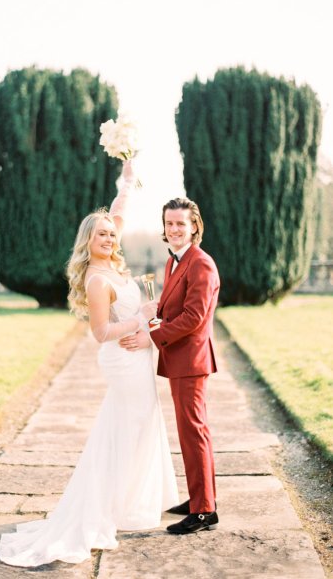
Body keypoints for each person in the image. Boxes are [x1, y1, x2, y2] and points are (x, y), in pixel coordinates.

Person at [0, 161, 178, 568]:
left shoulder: (113, 259)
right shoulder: (98, 279)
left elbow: (118, 211)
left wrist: (127, 181)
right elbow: (99, 332)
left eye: (113, 234)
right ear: (89, 240)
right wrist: (142, 317)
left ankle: (127, 505)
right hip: (123, 357)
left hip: (136, 352)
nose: (110, 238)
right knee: (130, 429)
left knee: (135, 427)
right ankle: (107, 510)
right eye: (102, 234)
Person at [119, 197, 220, 534]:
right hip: (178, 359)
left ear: (194, 226)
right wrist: (152, 312)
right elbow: (173, 307)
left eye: (180, 223)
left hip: (191, 361)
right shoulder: (173, 261)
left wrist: (154, 335)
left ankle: (204, 511)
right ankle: (198, 499)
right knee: (188, 432)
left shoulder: (200, 263)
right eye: (170, 223)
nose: (174, 229)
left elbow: (194, 318)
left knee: (194, 432)